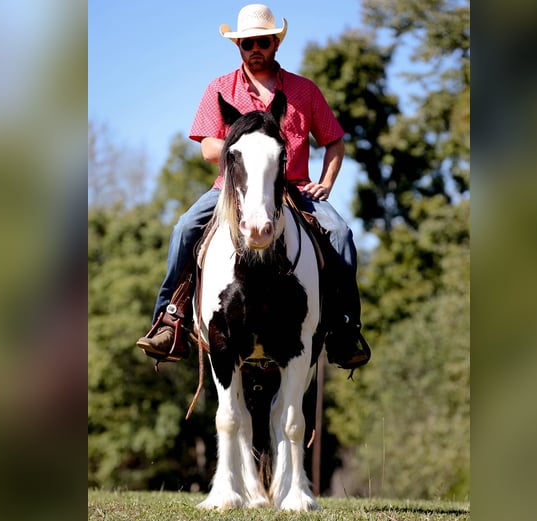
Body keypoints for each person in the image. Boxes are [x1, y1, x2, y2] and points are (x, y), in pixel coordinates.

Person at [137, 4, 369, 370]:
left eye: (262, 41)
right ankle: (170, 319)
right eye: (247, 43)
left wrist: (325, 183)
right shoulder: (219, 88)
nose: (255, 48)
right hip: (233, 190)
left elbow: (334, 141)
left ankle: (344, 328)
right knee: (184, 229)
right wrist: (239, 148)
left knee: (340, 233)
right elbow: (206, 146)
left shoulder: (304, 90)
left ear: (276, 42)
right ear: (238, 46)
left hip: (294, 188)